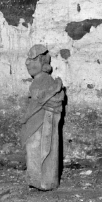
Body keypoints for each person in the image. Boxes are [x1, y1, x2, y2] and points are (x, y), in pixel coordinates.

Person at [20, 45, 65, 190]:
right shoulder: (38, 80)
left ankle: (45, 181)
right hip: (36, 120)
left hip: (43, 122)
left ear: (43, 63)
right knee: (33, 149)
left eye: (33, 60)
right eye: (28, 60)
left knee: (39, 148)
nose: (28, 63)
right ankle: (37, 179)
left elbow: (50, 100)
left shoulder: (45, 80)